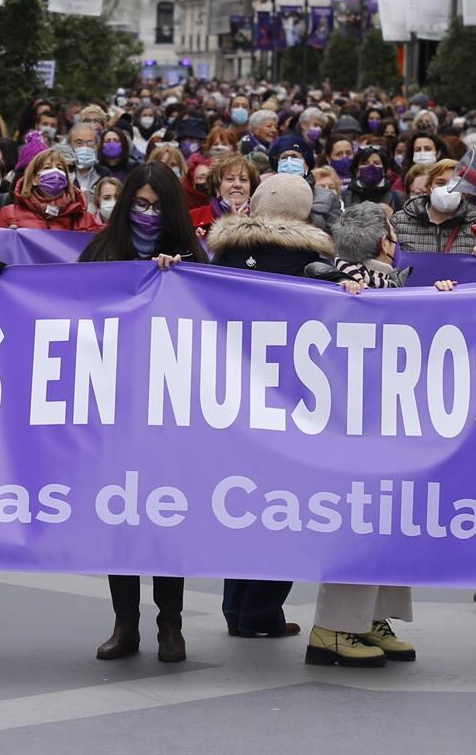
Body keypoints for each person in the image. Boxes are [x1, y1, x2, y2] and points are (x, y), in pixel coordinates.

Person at [80, 162, 205, 662]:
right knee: (121, 518)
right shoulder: (100, 254)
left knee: (166, 519)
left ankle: (170, 626)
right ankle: (125, 624)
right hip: (114, 407)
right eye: (140, 204)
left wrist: (181, 280)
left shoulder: (193, 259)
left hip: (170, 411)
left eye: (157, 206)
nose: (148, 215)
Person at [207, 173, 334, 640]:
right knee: (285, 506)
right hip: (291, 398)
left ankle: (236, 609)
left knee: (241, 501)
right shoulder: (309, 262)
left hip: (234, 396)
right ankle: (263, 610)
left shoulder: (223, 255)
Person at [0, 147, 99, 231]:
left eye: (60, 168)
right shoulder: (10, 214)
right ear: (34, 179)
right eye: (47, 168)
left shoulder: (82, 217)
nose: (55, 172)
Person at [190, 153, 256, 243]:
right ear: (217, 189)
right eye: (230, 179)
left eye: (243, 180)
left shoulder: (262, 217)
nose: (237, 185)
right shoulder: (192, 218)